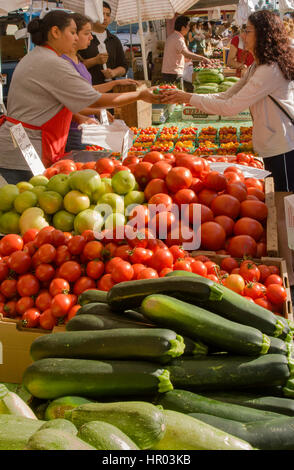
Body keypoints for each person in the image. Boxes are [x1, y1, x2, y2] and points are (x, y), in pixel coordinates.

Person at [0, 10, 158, 183]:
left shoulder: (36, 56)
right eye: (73, 32)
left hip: (21, 145)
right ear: (55, 32)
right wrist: (140, 95)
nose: (76, 38)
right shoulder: (53, 63)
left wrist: (80, 116)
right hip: (26, 153)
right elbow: (94, 98)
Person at [161, 10, 294, 191]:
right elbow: (226, 96)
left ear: (263, 34)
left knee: (284, 200)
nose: (242, 35)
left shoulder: (269, 70)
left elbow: (230, 106)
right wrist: (187, 97)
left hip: (283, 147)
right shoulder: (257, 66)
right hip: (272, 144)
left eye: (247, 31)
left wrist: (188, 97)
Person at [62, 12, 137, 152]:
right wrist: (96, 111)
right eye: (87, 33)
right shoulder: (64, 63)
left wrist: (115, 83)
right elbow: (69, 104)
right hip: (75, 130)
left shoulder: (77, 61)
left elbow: (89, 90)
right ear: (74, 35)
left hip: (88, 127)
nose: (91, 37)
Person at [79, 2, 128, 85]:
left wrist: (114, 72)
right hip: (89, 89)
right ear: (93, 16)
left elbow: (123, 66)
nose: (104, 18)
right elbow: (74, 66)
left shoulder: (114, 40)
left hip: (111, 90)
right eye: (101, 14)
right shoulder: (82, 38)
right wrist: (95, 61)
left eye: (108, 15)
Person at [161, 15, 211, 86]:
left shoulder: (172, 36)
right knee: (175, 95)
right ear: (183, 27)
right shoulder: (178, 39)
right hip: (173, 73)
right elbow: (186, 53)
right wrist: (202, 58)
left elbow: (175, 54)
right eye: (188, 26)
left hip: (168, 72)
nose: (188, 28)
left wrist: (184, 60)